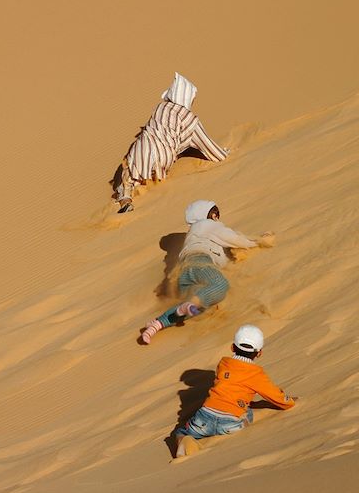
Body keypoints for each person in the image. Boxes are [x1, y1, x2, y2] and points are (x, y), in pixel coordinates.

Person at [140, 199, 274, 344]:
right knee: (221, 285)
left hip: (184, 277)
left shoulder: (195, 233)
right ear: (205, 215)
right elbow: (234, 238)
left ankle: (157, 324)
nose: (217, 217)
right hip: (200, 263)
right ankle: (188, 305)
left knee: (200, 308)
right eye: (214, 213)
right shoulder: (206, 225)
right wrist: (259, 242)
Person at [174, 324, 297, 458]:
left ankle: (184, 443)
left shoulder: (223, 363)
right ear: (260, 353)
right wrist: (289, 401)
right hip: (231, 423)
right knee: (247, 411)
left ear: (232, 347)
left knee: (180, 432)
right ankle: (242, 424)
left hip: (204, 418)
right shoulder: (257, 374)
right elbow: (275, 396)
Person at [113, 73, 229, 213]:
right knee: (155, 166)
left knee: (130, 177)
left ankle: (125, 197)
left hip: (140, 149)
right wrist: (225, 153)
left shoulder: (160, 108)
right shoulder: (190, 120)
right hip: (163, 157)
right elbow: (211, 150)